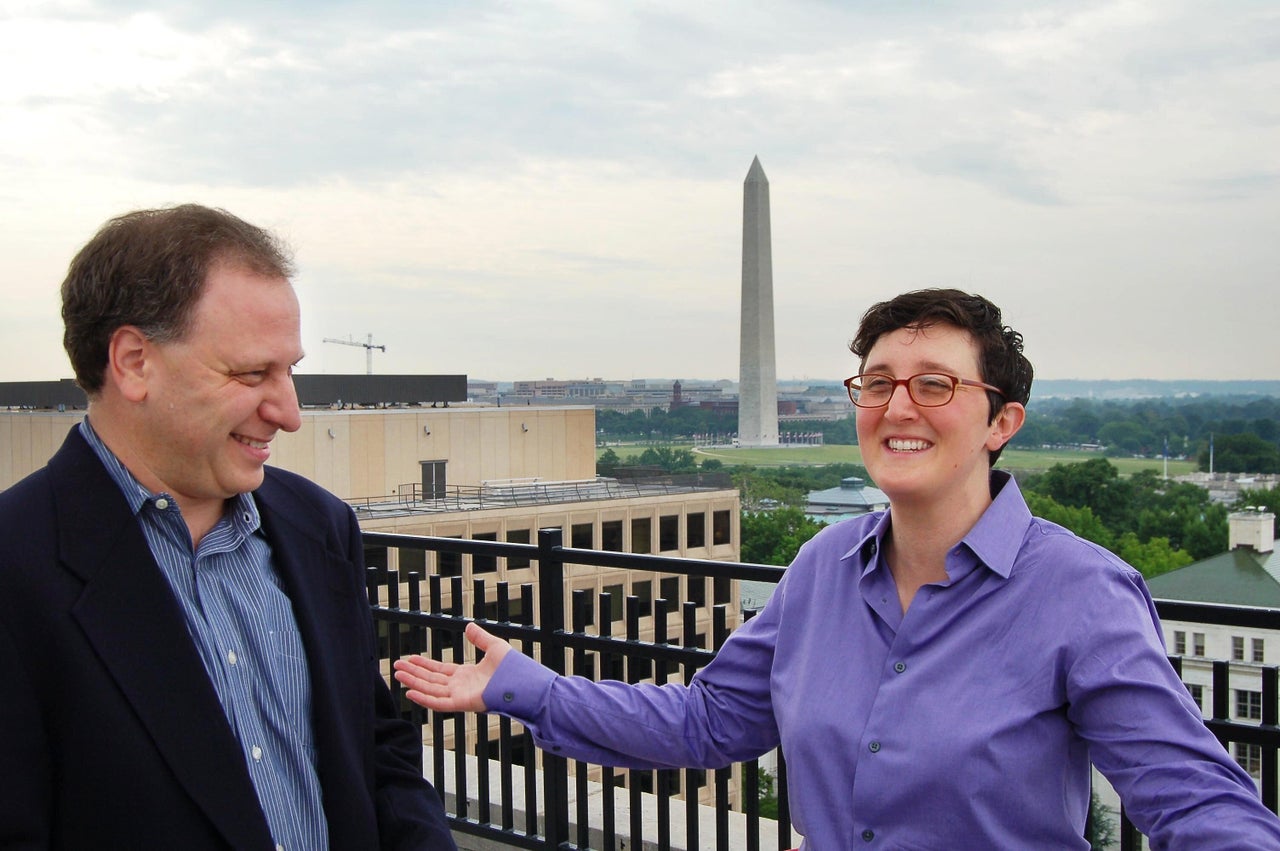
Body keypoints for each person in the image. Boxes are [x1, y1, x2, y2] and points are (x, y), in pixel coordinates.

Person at [394, 288, 1280, 849]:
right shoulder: (821, 567)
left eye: (936, 384)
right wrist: (526, 684)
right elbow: (707, 722)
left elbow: (1196, 800)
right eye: (877, 381)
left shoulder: (1081, 592)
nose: (899, 405)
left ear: (1001, 422)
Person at [0, 205, 456, 850]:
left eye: (289, 369)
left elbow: (375, 748)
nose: (290, 413)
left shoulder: (320, 527)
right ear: (133, 362)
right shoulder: (16, 566)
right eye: (251, 373)